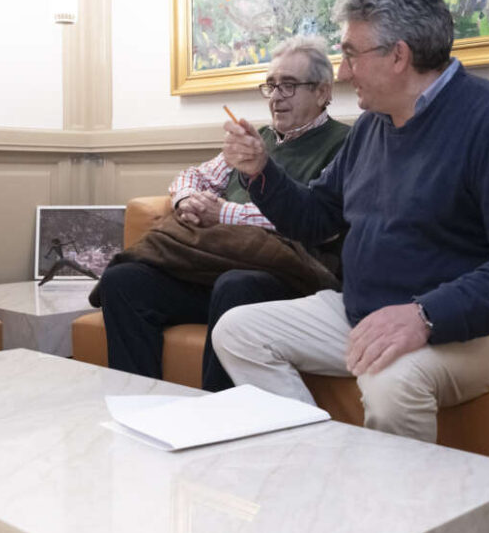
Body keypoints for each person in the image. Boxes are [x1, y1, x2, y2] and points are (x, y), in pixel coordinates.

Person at [214, 0, 489, 442]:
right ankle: (318, 461)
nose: (343, 73)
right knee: (237, 331)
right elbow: (317, 216)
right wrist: (261, 171)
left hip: (486, 329)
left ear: (398, 56)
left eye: (351, 55)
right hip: (367, 312)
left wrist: (425, 315)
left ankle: (392, 493)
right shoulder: (371, 127)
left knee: (391, 384)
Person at [97, 36, 350, 391]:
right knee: (123, 281)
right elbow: (193, 176)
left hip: (290, 274)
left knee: (235, 285)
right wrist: (187, 200)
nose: (276, 97)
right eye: (271, 85)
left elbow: (316, 219)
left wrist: (224, 214)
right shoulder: (257, 140)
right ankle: (141, 405)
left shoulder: (345, 144)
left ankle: (217, 412)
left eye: (289, 85)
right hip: (220, 263)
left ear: (323, 92)